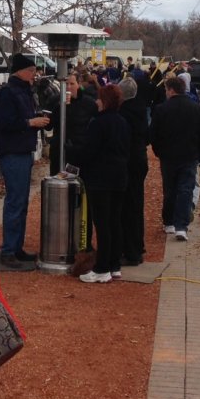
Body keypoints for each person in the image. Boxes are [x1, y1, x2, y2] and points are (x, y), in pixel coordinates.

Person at [0, 53, 51, 270]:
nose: (34, 75)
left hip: (22, 151)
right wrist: (31, 122)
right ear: (21, 71)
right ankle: (8, 250)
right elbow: (5, 123)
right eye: (32, 71)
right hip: (13, 152)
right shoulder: (8, 93)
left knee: (22, 201)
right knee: (15, 201)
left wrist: (36, 119)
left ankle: (16, 248)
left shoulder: (24, 91)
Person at [78, 84, 130, 283]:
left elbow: (89, 151)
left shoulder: (98, 123)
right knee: (115, 222)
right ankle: (114, 264)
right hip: (119, 178)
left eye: (100, 99)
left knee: (103, 224)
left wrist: (74, 154)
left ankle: (102, 268)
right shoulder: (123, 122)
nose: (97, 101)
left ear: (105, 101)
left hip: (100, 180)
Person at [150, 74, 200, 242]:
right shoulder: (196, 109)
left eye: (166, 90)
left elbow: (154, 134)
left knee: (170, 189)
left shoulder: (161, 110)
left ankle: (169, 221)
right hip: (189, 156)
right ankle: (181, 226)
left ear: (171, 90)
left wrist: (158, 151)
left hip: (168, 156)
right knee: (185, 190)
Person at [117, 76, 150, 266]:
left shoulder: (124, 114)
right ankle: (137, 246)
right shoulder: (140, 110)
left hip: (128, 162)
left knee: (126, 208)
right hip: (139, 160)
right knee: (136, 205)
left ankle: (130, 250)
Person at [47, 71, 97, 176]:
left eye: (72, 84)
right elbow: (48, 125)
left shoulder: (89, 103)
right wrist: (59, 106)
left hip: (78, 153)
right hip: (59, 152)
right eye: (66, 84)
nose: (68, 87)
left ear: (79, 84)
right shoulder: (55, 101)